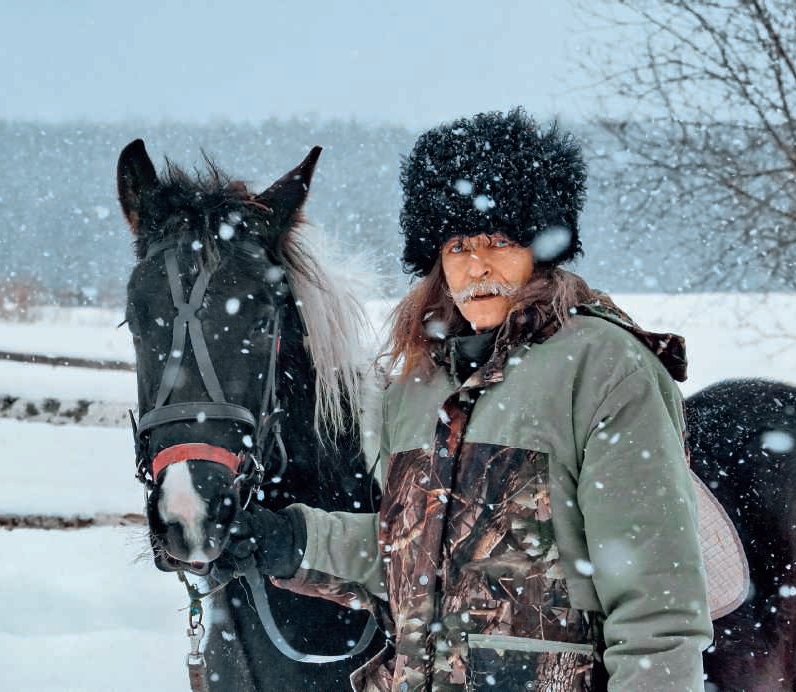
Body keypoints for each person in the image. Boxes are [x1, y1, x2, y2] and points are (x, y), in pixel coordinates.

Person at [222, 108, 713, 691]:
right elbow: (410, 561)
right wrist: (288, 540)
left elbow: (656, 606)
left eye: (499, 242)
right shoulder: (415, 387)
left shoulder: (603, 369)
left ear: (539, 248)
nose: (477, 265)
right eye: (457, 247)